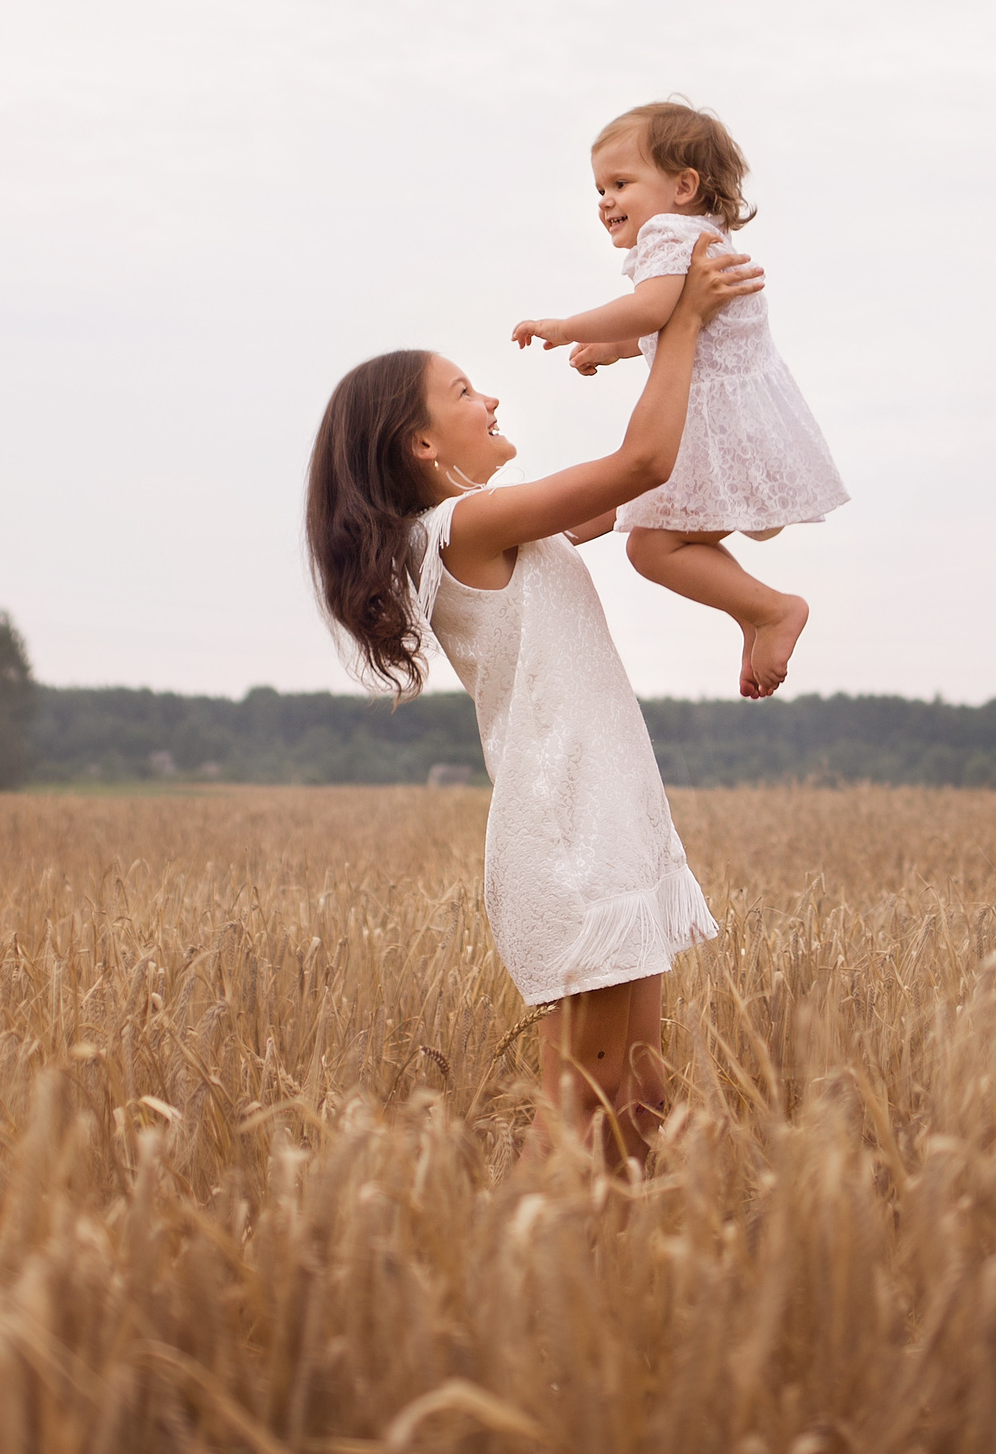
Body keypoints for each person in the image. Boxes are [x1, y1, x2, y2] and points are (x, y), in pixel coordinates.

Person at [306, 235, 765, 1168]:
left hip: (604, 820)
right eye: (467, 391)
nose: (493, 398)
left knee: (637, 1113)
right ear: (424, 446)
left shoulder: (497, 526)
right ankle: (529, 1288)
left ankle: (617, 1298)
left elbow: (647, 483)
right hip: (566, 840)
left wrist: (671, 341)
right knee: (585, 1123)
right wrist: (676, 315)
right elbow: (638, 464)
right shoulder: (462, 526)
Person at [512, 100, 849, 699]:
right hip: (738, 431)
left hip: (718, 435)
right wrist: (612, 349)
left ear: (683, 186)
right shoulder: (700, 239)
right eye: (599, 188)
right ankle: (754, 614)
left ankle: (769, 609)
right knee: (639, 524)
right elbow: (662, 326)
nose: (605, 200)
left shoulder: (671, 235)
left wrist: (571, 327)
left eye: (620, 183)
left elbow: (652, 309)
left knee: (648, 543)